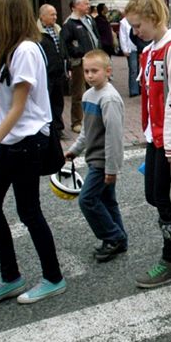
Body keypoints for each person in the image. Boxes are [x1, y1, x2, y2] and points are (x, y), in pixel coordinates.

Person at [0, 0, 66, 305]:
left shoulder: (26, 50)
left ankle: (53, 278)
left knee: (28, 211)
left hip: (27, 140)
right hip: (14, 138)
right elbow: (12, 100)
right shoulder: (11, 50)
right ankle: (11, 278)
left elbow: (21, 107)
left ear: (7, 15)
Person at [125, 0, 171, 288]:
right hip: (157, 138)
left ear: (153, 18)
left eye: (138, 25)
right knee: (154, 196)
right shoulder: (149, 49)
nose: (135, 32)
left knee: (167, 201)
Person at [64, 50, 128, 262]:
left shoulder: (109, 99)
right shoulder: (88, 95)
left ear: (108, 72)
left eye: (95, 71)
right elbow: (86, 131)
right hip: (94, 158)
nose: (90, 75)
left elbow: (114, 136)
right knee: (108, 201)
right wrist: (74, 150)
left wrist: (111, 168)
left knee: (87, 200)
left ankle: (113, 236)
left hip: (103, 161)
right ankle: (119, 239)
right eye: (86, 71)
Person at [61, 0, 100, 133]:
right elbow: (65, 44)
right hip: (80, 62)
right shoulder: (70, 23)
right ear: (76, 6)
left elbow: (96, 36)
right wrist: (78, 52)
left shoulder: (90, 20)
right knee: (78, 92)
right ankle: (76, 121)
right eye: (85, 4)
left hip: (94, 59)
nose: (88, 6)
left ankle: (95, 119)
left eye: (88, 3)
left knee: (95, 90)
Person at [37, 4, 67, 139]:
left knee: (58, 102)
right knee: (46, 102)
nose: (55, 17)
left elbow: (62, 49)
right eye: (52, 15)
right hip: (46, 74)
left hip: (58, 72)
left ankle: (58, 129)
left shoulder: (57, 30)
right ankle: (48, 129)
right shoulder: (36, 33)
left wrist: (67, 66)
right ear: (42, 16)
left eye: (55, 14)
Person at [118, 15, 141, 97]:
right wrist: (124, 49)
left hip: (141, 46)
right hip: (131, 48)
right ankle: (134, 90)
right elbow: (123, 36)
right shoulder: (124, 22)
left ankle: (140, 88)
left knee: (141, 69)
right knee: (133, 69)